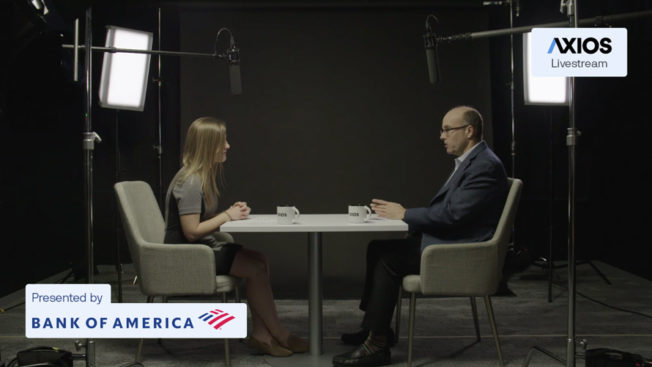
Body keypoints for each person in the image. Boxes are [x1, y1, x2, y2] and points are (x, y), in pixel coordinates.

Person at [333, 106, 509, 367]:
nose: (442, 136)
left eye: (448, 129)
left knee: (388, 259)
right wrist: (404, 216)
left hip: (462, 252)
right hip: (452, 241)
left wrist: (404, 214)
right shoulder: (472, 162)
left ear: (469, 131)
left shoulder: (484, 166)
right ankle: (375, 327)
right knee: (377, 248)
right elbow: (450, 213)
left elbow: (452, 216)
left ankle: (377, 344)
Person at [164, 116, 308, 357]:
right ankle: (279, 334)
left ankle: (263, 336)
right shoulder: (189, 181)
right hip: (187, 256)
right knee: (255, 267)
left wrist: (230, 213)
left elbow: (200, 225)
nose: (228, 145)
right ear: (207, 145)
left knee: (259, 261)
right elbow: (191, 232)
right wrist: (227, 216)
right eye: (223, 141)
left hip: (202, 249)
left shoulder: (198, 176)